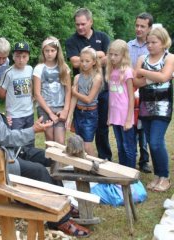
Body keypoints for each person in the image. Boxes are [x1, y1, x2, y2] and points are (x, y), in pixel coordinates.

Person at [0, 65, 91, 237]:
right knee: (39, 171)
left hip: (2, 151)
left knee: (47, 156)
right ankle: (60, 219)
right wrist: (33, 130)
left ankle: (63, 203)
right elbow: (6, 137)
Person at [65, 8, 112, 160]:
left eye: (83, 24)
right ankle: (83, 160)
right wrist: (98, 55)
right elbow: (74, 62)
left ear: (91, 22)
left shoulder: (102, 37)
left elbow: (109, 58)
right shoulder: (71, 41)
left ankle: (105, 158)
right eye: (77, 24)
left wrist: (89, 58)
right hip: (82, 91)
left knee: (102, 128)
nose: (80, 27)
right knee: (82, 133)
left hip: (103, 90)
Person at [134, 27, 174, 192]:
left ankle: (165, 177)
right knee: (151, 142)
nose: (149, 45)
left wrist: (144, 72)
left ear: (163, 42)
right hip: (145, 107)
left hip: (163, 107)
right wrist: (155, 76)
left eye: (153, 42)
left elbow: (164, 77)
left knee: (157, 142)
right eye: (148, 42)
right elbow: (136, 82)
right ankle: (157, 175)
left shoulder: (170, 57)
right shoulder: (143, 58)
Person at [128, 12, 154, 173]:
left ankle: (144, 160)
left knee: (143, 126)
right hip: (130, 90)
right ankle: (131, 157)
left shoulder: (153, 46)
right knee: (131, 124)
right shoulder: (128, 46)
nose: (138, 29)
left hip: (147, 91)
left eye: (142, 26)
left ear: (149, 28)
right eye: (137, 25)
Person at [33, 36, 71, 146]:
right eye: (47, 51)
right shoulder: (39, 68)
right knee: (50, 141)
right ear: (43, 52)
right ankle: (50, 164)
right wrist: (50, 113)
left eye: (52, 50)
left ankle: (61, 163)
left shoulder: (64, 68)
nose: (49, 53)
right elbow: (37, 93)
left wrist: (65, 110)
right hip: (45, 109)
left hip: (60, 108)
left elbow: (68, 90)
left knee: (60, 142)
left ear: (57, 51)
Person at [66, 47, 102, 156]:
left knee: (87, 145)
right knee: (79, 143)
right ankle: (83, 167)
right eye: (82, 61)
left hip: (90, 113)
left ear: (94, 62)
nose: (84, 64)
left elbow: (88, 99)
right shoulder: (77, 77)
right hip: (78, 113)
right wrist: (69, 116)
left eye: (87, 61)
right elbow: (74, 99)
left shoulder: (97, 77)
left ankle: (94, 166)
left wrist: (74, 92)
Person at [0, 41, 34, 146]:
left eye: (24, 56)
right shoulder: (8, 73)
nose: (21, 60)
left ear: (28, 57)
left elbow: (33, 86)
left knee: (29, 141)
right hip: (15, 115)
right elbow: (1, 93)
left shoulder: (30, 69)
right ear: (13, 57)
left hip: (29, 113)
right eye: (18, 56)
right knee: (15, 141)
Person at [106, 39, 135, 168]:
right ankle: (122, 172)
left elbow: (131, 97)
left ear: (123, 55)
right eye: (110, 54)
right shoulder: (111, 70)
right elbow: (111, 97)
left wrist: (129, 119)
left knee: (128, 146)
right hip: (115, 114)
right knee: (119, 145)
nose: (112, 57)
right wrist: (108, 116)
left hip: (125, 115)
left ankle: (131, 174)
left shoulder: (127, 71)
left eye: (116, 55)